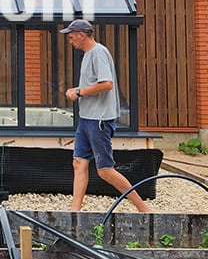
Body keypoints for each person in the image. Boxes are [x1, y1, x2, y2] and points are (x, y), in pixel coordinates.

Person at [61, 18, 152, 213]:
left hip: (99, 120)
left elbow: (107, 84)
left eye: (71, 37)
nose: (70, 41)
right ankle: (74, 211)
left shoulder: (98, 53)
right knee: (79, 163)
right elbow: (95, 84)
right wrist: (78, 89)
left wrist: (79, 91)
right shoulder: (88, 54)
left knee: (105, 171)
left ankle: (144, 208)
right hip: (87, 118)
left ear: (81, 35)